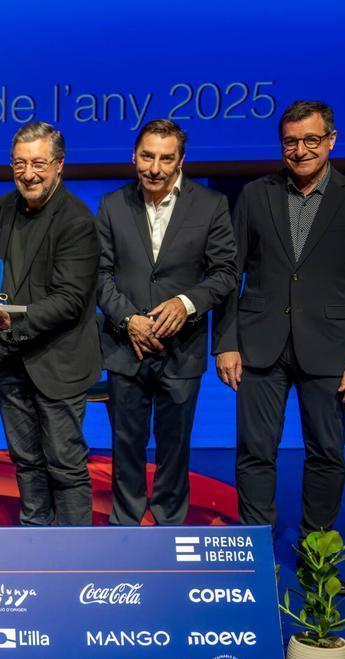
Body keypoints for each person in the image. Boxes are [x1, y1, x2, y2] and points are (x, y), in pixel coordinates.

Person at [214, 101, 345, 536]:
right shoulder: (255, 195)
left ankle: (318, 556)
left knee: (327, 452)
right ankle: (258, 557)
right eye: (291, 141)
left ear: (331, 140)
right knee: (255, 452)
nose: (301, 150)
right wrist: (226, 342)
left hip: (330, 348)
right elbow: (228, 276)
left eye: (311, 139)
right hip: (258, 344)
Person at [96, 119, 237, 525]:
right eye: (146, 156)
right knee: (126, 444)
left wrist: (186, 303)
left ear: (181, 160)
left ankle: (169, 525)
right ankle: (125, 524)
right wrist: (128, 320)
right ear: (133, 156)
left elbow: (225, 272)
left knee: (175, 447)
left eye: (165, 158)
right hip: (127, 347)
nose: (154, 168)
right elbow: (99, 275)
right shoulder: (112, 204)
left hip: (183, 349)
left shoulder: (210, 205)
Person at [0, 122, 101, 527]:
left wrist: (6, 320)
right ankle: (36, 544)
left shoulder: (77, 220)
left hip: (58, 361)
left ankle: (76, 555)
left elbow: (71, 301)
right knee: (25, 461)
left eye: (38, 163)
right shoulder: (5, 206)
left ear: (59, 165)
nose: (28, 174)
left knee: (65, 463)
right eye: (19, 164)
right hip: (11, 360)